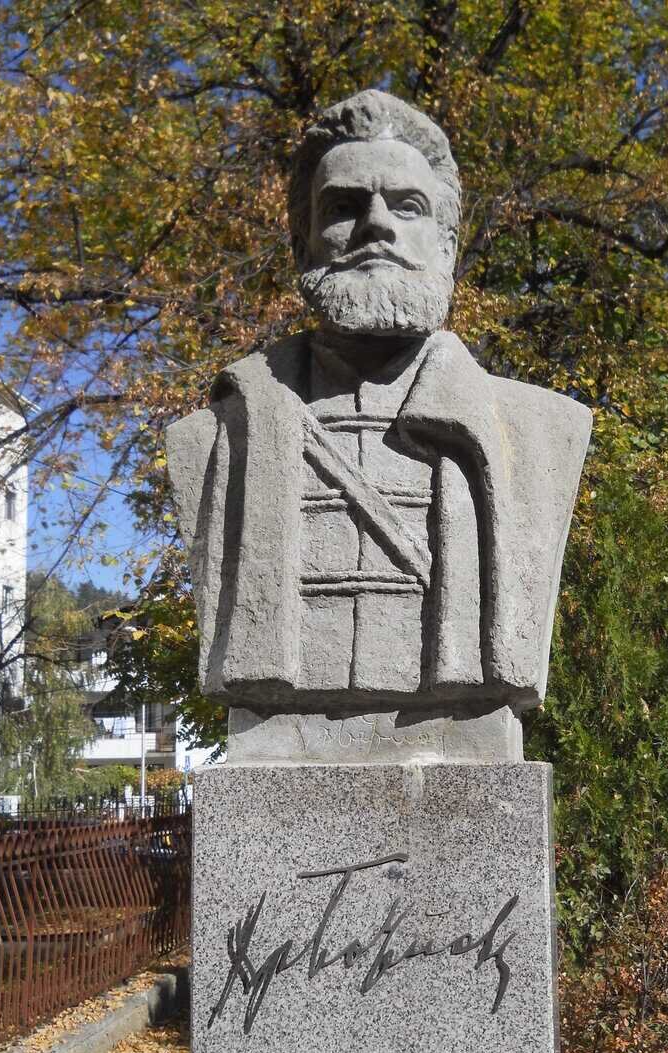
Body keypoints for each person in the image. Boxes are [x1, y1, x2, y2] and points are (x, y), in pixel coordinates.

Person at [166, 90, 591, 744]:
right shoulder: (220, 436)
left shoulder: (541, 431)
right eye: (343, 207)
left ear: (446, 246)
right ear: (301, 245)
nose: (376, 225)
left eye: (407, 205)